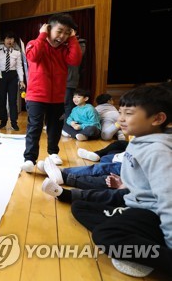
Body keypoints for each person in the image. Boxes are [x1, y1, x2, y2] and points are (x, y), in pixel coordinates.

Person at [41, 84, 172, 277]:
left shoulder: (158, 152)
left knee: (104, 235)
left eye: (128, 114)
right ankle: (135, 240)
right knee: (80, 207)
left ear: (157, 118)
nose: (121, 119)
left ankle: (160, 254)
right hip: (134, 202)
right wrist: (125, 184)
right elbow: (143, 182)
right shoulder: (139, 141)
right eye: (120, 112)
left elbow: (168, 201)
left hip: (153, 214)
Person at [21, 13, 83, 173]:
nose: (62, 36)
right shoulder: (34, 43)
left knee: (55, 127)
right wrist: (42, 35)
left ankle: (53, 152)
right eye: (59, 31)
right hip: (36, 96)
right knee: (34, 127)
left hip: (57, 97)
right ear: (48, 29)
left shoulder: (65, 49)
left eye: (67, 33)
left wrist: (73, 39)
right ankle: (29, 158)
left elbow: (75, 60)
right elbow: (33, 57)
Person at [0, 31, 25, 131]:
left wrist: (21, 80)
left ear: (14, 41)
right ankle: (3, 121)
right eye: (7, 38)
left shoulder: (17, 53)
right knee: (2, 100)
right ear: (4, 40)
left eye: (11, 38)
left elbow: (19, 67)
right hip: (1, 76)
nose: (9, 40)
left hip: (13, 77)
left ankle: (14, 122)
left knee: (12, 101)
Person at [63, 36, 86, 119]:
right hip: (59, 80)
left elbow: (75, 57)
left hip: (70, 79)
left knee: (68, 103)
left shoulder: (79, 44)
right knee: (58, 103)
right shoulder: (61, 43)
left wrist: (70, 42)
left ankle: (67, 124)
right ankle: (57, 123)